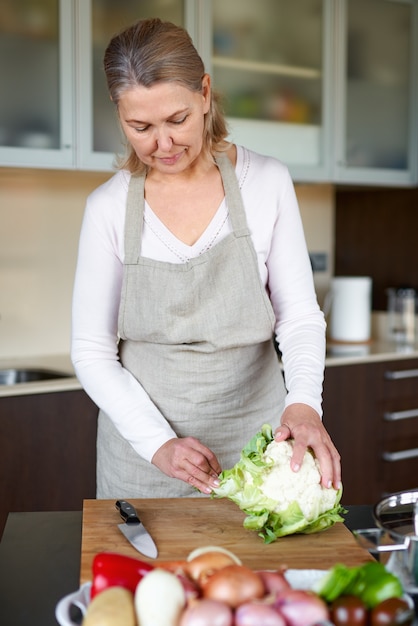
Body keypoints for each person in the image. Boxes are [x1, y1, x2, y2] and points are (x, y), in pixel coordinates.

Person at [71, 18, 341, 500]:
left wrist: (304, 404)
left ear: (205, 95)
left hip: (260, 448)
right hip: (144, 457)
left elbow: (299, 316)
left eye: (177, 120)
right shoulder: (107, 208)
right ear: (120, 117)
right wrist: (159, 444)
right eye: (141, 127)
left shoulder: (267, 183)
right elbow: (91, 351)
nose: (164, 144)